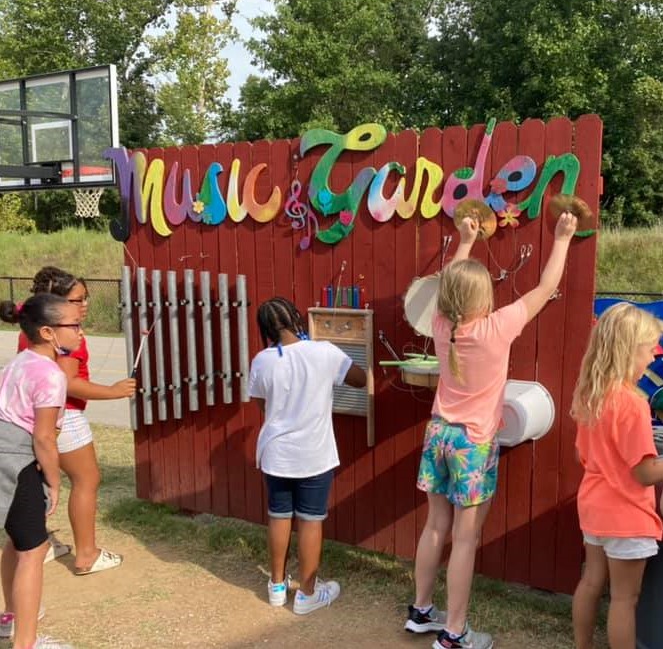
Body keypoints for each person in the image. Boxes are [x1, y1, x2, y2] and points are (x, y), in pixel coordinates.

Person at [404, 209, 578, 649]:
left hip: (439, 434)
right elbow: (546, 288)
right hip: (473, 445)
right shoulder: (496, 329)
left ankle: (421, 611)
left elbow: (448, 287)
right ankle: (454, 633)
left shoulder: (443, 327)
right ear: (484, 298)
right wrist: (560, 239)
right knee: (465, 539)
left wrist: (464, 240)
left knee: (434, 528)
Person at [248, 297, 366, 614]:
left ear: (265, 329)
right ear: (297, 319)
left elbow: (262, 405)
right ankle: (307, 594)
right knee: (311, 521)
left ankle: (276, 586)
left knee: (279, 515)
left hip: (276, 453)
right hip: (314, 454)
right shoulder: (323, 351)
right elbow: (360, 379)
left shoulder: (262, 360)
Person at [17, 267, 135, 575]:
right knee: (87, 480)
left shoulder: (32, 328)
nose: (84, 305)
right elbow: (67, 382)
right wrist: (113, 391)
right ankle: (86, 554)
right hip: (64, 416)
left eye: (85, 298)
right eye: (76, 300)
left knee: (41, 482)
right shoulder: (68, 335)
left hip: (36, 416)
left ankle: (38, 544)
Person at [571, 303, 663, 649]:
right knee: (625, 600)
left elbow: (583, 454)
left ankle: (582, 646)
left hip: (594, 509)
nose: (653, 359)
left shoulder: (590, 395)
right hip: (626, 516)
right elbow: (643, 472)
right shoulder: (633, 404)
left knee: (591, 582)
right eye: (649, 349)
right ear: (628, 351)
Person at [0, 293, 79, 649]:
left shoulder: (20, 361)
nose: (79, 332)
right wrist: (54, 480)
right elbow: (45, 438)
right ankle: (26, 643)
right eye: (73, 325)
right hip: (17, 463)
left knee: (16, 544)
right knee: (33, 551)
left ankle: (11, 619)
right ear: (48, 332)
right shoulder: (51, 375)